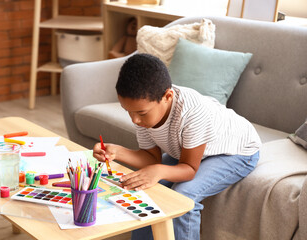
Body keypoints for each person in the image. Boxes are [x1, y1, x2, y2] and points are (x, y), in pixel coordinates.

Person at [93, 53, 261, 240]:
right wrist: (117, 152)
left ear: (167, 96)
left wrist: (157, 171)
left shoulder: (193, 112)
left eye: (141, 113)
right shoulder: (143, 114)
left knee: (183, 197)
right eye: (128, 112)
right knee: (143, 185)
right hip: (186, 149)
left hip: (235, 151)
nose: (135, 120)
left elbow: (189, 169)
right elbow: (151, 158)